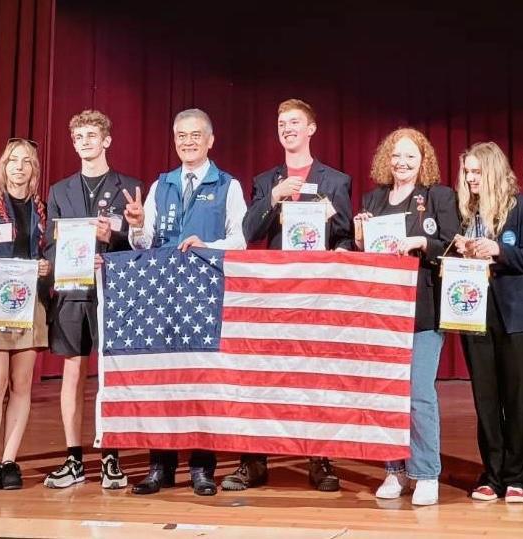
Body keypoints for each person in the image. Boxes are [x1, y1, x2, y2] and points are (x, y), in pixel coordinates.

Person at [229, 98, 354, 492]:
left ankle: (318, 459)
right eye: (282, 123)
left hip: (317, 292)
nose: (288, 128)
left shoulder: (336, 180)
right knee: (266, 377)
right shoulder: (267, 180)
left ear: (311, 129)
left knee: (315, 377)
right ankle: (254, 460)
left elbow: (348, 236)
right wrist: (274, 197)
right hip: (276, 293)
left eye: (295, 122)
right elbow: (249, 231)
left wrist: (339, 236)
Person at [122, 108, 247, 496]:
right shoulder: (162, 185)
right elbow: (142, 245)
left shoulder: (228, 185)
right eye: (181, 136)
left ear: (211, 140)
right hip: (164, 296)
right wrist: (138, 223)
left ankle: (202, 467)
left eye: (195, 135)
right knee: (164, 379)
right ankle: (160, 466)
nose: (188, 142)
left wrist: (207, 246)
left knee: (202, 380)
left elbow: (239, 241)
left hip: (207, 297)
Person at [355, 128, 458, 506]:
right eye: (396, 156)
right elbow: (363, 254)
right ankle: (394, 470)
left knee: (418, 394)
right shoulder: (374, 199)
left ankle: (426, 472)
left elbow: (452, 242)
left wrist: (421, 243)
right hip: (383, 311)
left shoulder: (438, 196)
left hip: (422, 310)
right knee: (387, 395)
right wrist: (360, 234)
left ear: (423, 160)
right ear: (386, 158)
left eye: (410, 156)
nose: (402, 162)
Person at [42, 110, 140, 490]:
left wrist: (113, 240)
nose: (84, 141)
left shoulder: (129, 187)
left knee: (109, 377)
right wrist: (67, 256)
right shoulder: (59, 190)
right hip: (71, 292)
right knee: (72, 374)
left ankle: (111, 456)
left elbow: (138, 243)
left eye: (91, 135)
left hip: (112, 292)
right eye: (78, 136)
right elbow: (50, 245)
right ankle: (73, 459)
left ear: (107, 141)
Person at [452, 141, 523, 505]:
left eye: (477, 172)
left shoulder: (521, 206)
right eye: (467, 172)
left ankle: (519, 477)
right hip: (475, 312)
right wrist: (461, 249)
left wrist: (497, 250)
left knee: (517, 400)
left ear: (492, 170)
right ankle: (491, 475)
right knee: (486, 400)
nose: (471, 178)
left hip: (518, 315)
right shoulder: (464, 210)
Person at [0, 139, 51, 490]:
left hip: (30, 303)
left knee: (21, 385)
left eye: (26, 161)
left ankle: (10, 460)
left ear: (34, 169)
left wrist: (50, 267)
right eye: (13, 160)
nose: (19, 166)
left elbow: (58, 254)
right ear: (4, 166)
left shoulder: (44, 210)